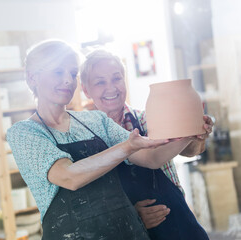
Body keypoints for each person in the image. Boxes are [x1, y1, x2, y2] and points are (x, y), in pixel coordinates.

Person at [7, 39, 199, 240]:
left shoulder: (95, 120)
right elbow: (69, 177)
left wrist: (190, 133)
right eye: (58, 72)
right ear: (32, 78)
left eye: (73, 74)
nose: (68, 80)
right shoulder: (24, 133)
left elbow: (151, 158)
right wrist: (127, 147)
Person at [80, 49, 213, 239]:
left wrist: (197, 134)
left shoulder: (146, 120)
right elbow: (89, 202)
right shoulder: (83, 137)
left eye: (116, 79)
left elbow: (191, 151)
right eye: (100, 82)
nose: (111, 88)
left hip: (178, 223)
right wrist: (129, 215)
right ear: (86, 90)